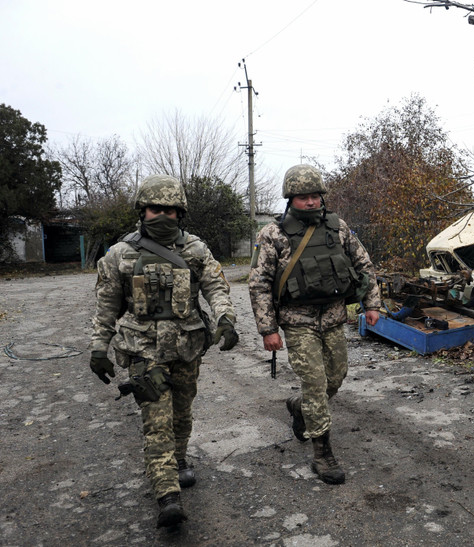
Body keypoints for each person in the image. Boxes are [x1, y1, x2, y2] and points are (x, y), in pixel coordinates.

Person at [88, 174, 239, 528]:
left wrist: (226, 320)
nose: (163, 216)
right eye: (156, 209)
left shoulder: (196, 250)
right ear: (142, 210)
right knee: (156, 423)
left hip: (187, 348)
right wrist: (99, 347)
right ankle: (167, 494)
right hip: (142, 351)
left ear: (181, 213)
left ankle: (181, 459)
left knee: (181, 417)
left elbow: (216, 288)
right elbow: (106, 305)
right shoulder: (120, 254)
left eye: (171, 210)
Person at [248, 164, 380, 485]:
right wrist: (268, 329)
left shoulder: (338, 228)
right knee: (316, 383)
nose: (310, 202)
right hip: (297, 322)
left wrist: (372, 304)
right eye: (302, 197)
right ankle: (322, 453)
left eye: (315, 196)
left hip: (334, 317)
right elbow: (260, 283)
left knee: (337, 376)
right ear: (290, 199)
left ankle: (299, 406)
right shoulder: (273, 235)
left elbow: (363, 265)